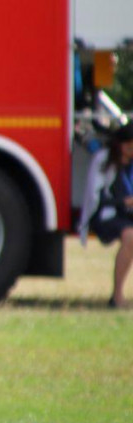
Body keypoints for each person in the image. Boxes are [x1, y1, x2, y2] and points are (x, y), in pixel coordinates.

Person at [79, 122, 133, 308]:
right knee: (130, 237)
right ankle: (117, 296)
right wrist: (124, 202)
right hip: (106, 215)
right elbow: (96, 199)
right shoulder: (104, 161)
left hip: (127, 215)